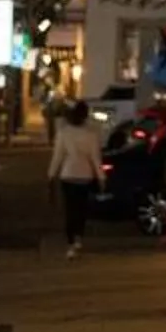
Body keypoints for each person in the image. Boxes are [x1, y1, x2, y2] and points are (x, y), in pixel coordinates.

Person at [47, 98, 106, 258]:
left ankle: (71, 242)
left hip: (68, 174)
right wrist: (101, 177)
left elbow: (58, 156)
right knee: (81, 209)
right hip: (84, 175)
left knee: (70, 209)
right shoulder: (91, 134)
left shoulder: (64, 133)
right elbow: (95, 158)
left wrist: (51, 174)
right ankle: (79, 237)